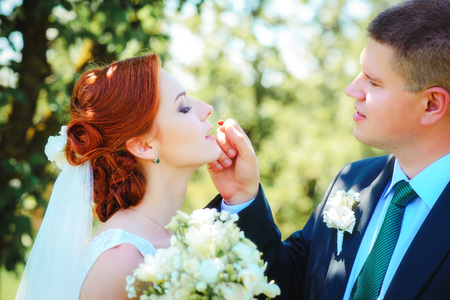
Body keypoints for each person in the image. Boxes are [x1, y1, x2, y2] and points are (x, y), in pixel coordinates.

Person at [207, 0, 450, 299]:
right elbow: (287, 284)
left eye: (373, 82)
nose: (352, 90)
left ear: (432, 104)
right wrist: (243, 197)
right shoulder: (353, 180)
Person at [16, 53, 226, 299]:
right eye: (184, 108)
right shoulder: (121, 261)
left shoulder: (179, 238)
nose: (207, 109)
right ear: (144, 146)